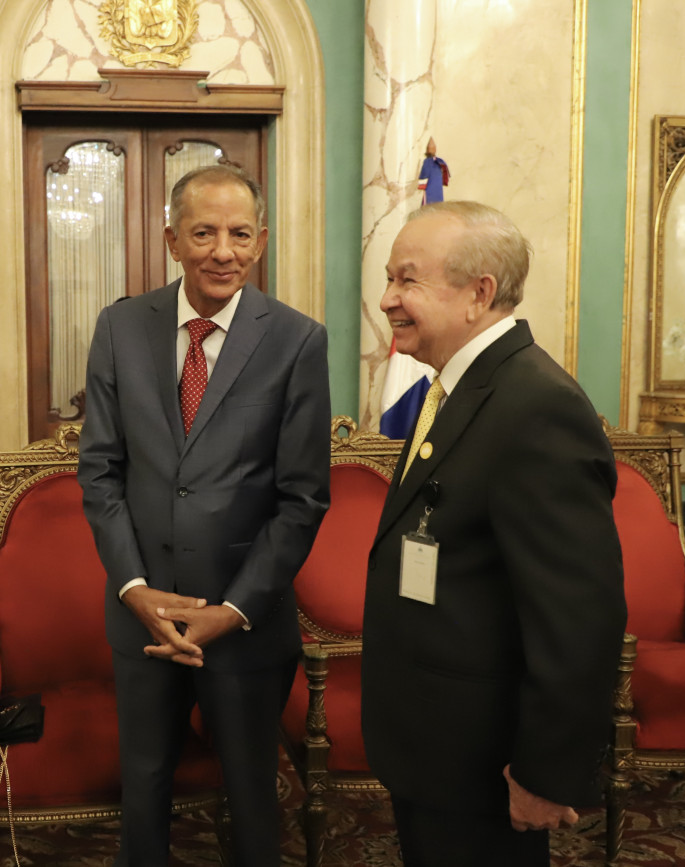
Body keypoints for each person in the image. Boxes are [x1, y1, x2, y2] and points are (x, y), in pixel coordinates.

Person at [78, 164, 331, 866]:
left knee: (253, 797)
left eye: (241, 234)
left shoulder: (297, 340)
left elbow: (303, 497)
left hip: (245, 623)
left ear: (262, 241)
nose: (224, 251)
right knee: (144, 788)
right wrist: (134, 589)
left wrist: (235, 608)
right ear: (172, 240)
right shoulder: (121, 327)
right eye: (204, 233)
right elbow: (99, 471)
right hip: (143, 617)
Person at [362, 201, 627, 867]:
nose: (387, 299)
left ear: (478, 294)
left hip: (484, 759)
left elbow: (578, 618)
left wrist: (547, 772)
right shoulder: (458, 389)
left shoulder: (536, 406)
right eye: (390, 278)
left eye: (408, 280)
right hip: (438, 744)